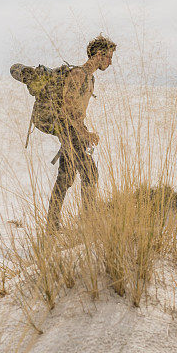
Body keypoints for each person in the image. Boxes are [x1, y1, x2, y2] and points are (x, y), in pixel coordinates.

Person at [46, 35, 116, 231]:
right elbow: (67, 110)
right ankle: (88, 224)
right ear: (99, 54)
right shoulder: (78, 74)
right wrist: (84, 134)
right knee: (90, 174)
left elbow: (75, 111)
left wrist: (84, 132)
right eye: (108, 57)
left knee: (65, 177)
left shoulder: (90, 78)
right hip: (70, 132)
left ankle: (52, 225)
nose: (110, 62)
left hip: (73, 133)